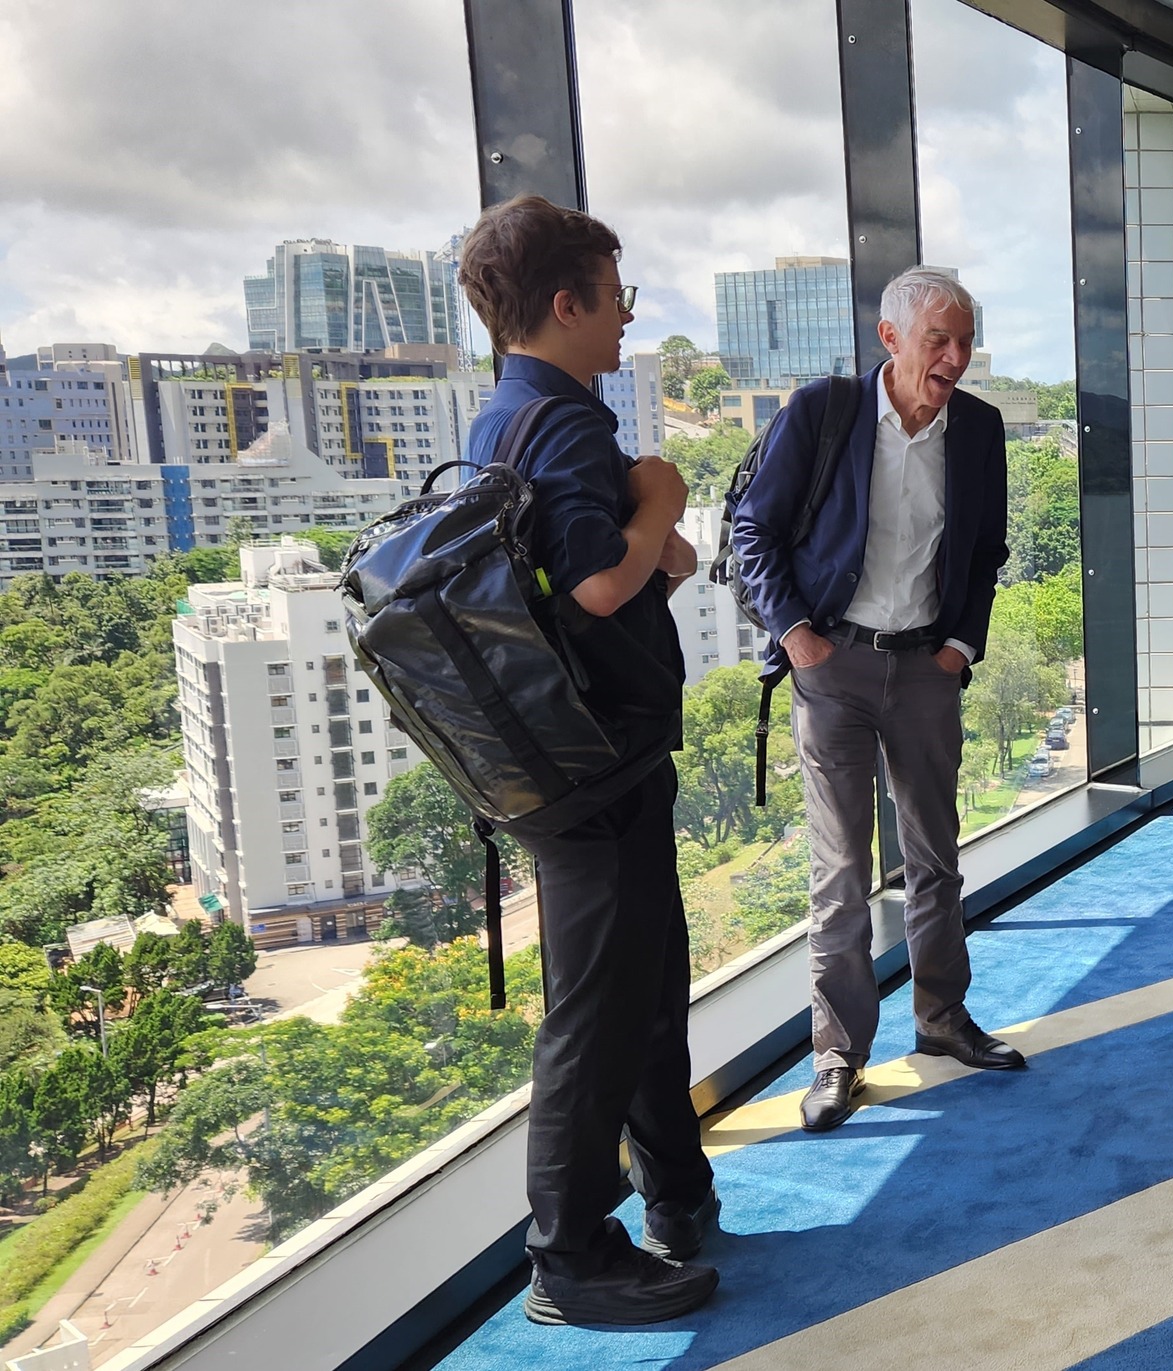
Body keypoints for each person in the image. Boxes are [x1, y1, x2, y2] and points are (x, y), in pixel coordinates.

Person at [456, 195, 718, 1327]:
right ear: (565, 305)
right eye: (616, 299)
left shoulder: (501, 417)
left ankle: (674, 1198)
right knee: (599, 1008)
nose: (625, 322)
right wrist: (658, 490)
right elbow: (609, 583)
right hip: (592, 764)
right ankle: (567, 1257)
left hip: (570, 758)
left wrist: (652, 535)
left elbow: (587, 584)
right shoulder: (563, 423)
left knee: (645, 986)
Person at [730, 267, 1020, 1135]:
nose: (956, 357)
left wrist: (960, 648)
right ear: (890, 339)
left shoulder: (979, 429)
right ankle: (838, 1053)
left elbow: (985, 552)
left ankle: (942, 1018)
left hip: (926, 669)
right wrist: (795, 635)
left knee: (935, 855)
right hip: (833, 668)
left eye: (965, 339)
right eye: (939, 339)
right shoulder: (825, 413)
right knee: (842, 871)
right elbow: (754, 528)